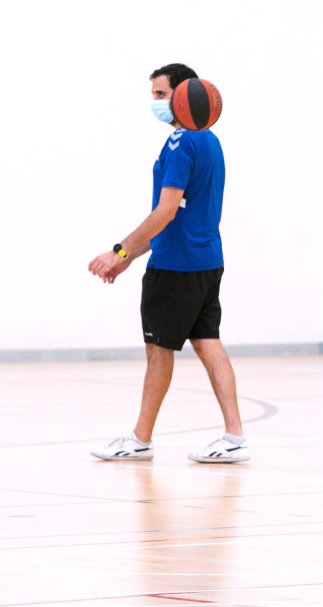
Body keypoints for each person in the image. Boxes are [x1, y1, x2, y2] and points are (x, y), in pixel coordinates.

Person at [88, 63, 248, 464]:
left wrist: (119, 251)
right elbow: (180, 215)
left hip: (176, 268)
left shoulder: (179, 143)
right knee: (209, 343)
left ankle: (139, 439)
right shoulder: (210, 141)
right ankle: (235, 436)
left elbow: (166, 212)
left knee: (159, 351)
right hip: (208, 262)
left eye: (161, 95)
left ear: (183, 95)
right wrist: (131, 259)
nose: (155, 103)